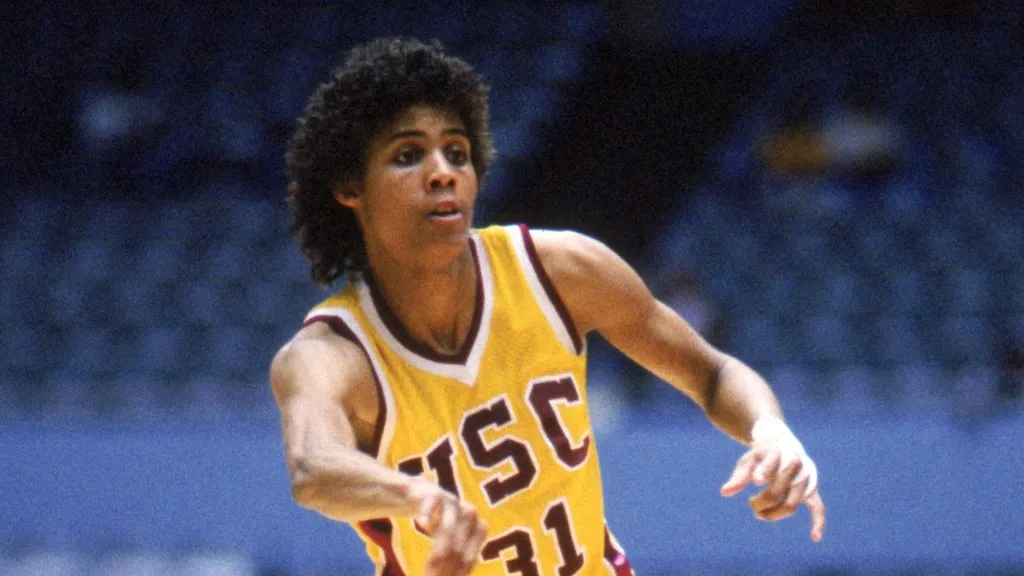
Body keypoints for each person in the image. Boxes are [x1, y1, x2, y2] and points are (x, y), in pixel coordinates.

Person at [271, 37, 826, 576]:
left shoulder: (560, 271)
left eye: (458, 152)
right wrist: (416, 495)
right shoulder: (330, 354)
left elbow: (711, 372)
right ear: (349, 187)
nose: (443, 172)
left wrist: (771, 431)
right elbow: (312, 467)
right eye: (408, 154)